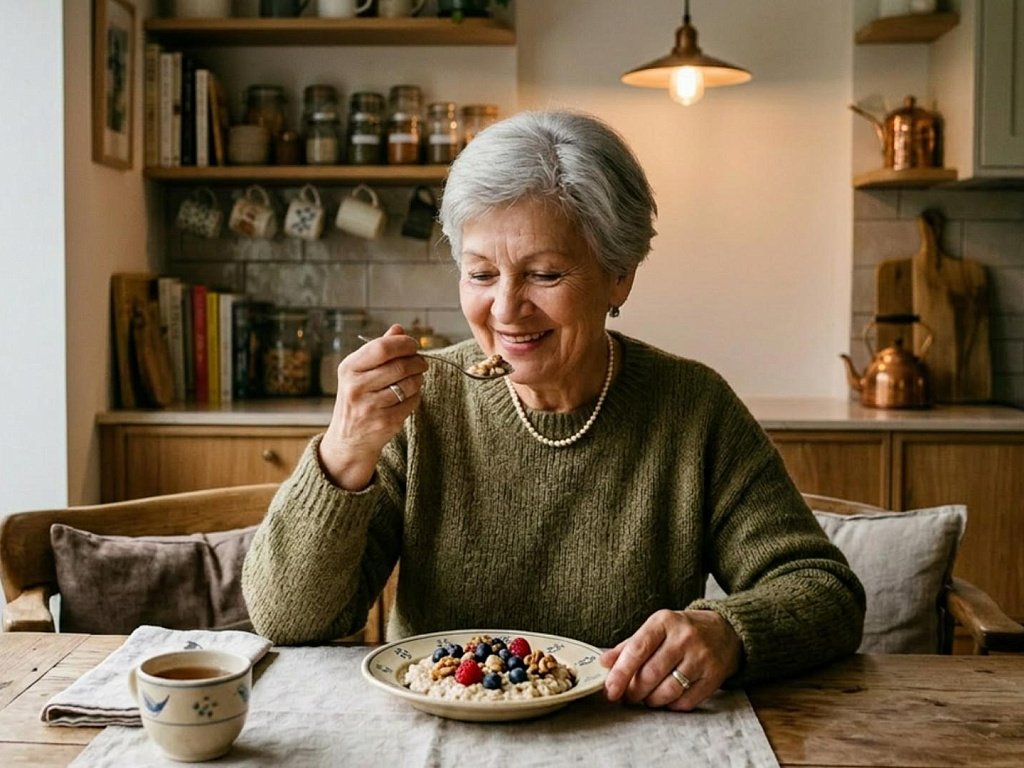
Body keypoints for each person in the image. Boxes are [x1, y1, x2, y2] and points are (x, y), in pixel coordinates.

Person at [242, 110, 865, 711]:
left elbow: (825, 592)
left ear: (619, 275)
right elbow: (290, 621)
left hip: (630, 739)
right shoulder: (421, 406)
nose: (507, 310)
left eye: (543, 274)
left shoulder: (691, 409)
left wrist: (728, 633)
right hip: (440, 739)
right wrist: (343, 451)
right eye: (481, 274)